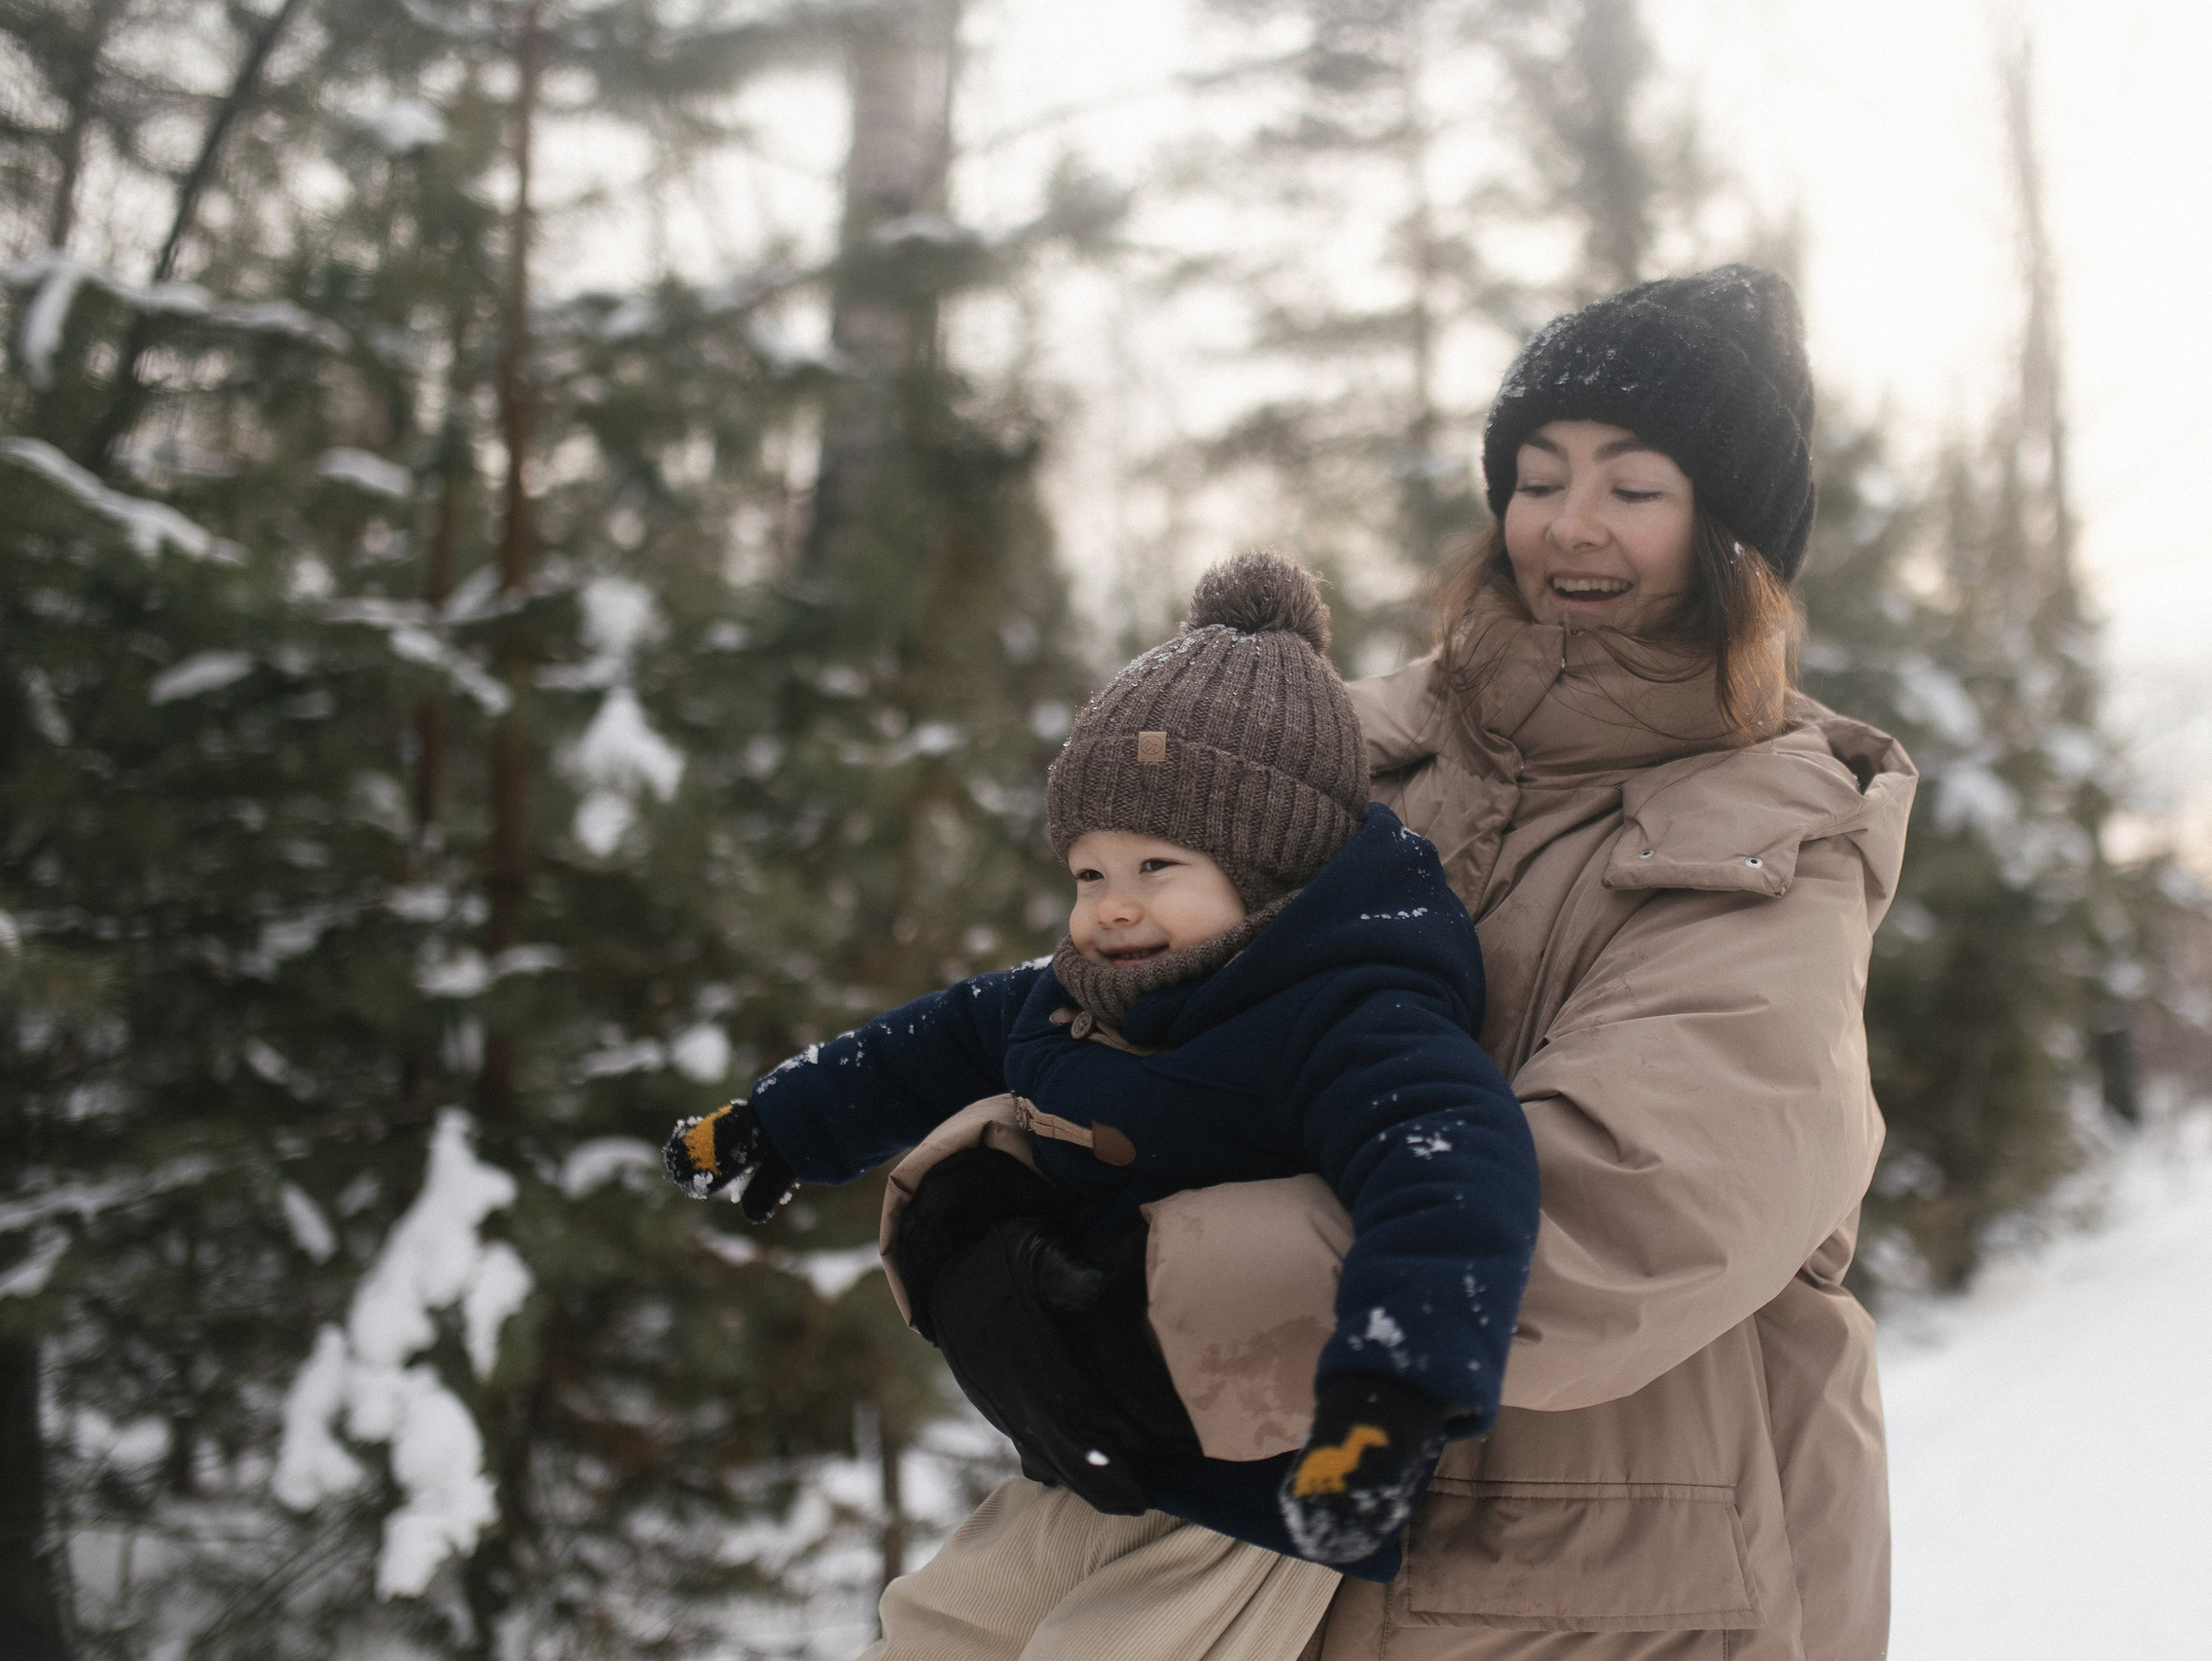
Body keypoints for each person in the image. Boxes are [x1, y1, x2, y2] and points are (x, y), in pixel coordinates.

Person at [942, 266, 1916, 1660]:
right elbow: (1131, 997)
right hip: (1283, 1534)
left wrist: (1153, 1305)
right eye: (1537, 474)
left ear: (1731, 534)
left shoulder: (1769, 840)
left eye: (1634, 485)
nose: (1568, 523)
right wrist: (989, 1203)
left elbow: (1623, 1206)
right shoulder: (1353, 755)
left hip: (1613, 1574)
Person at [663, 551, 1542, 1658]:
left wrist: (1387, 1402)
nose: (1111, 911)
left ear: (1272, 872)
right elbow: (925, 1044)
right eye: (1088, 873)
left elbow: (1451, 1175)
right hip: (1080, 1450)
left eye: (1156, 868)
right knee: (934, 1629)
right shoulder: (1073, 997)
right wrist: (776, 1122)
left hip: (1251, 1493)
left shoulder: (1348, 1018)